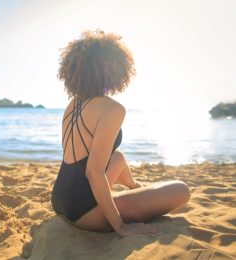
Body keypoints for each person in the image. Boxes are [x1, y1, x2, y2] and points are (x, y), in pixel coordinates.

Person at [51, 30, 190, 237]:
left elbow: (85, 163)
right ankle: (134, 198)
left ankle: (134, 187)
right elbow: (93, 173)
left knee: (118, 157)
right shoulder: (112, 108)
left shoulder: (73, 104)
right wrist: (121, 227)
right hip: (85, 213)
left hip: (61, 198)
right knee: (181, 190)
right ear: (115, 70)